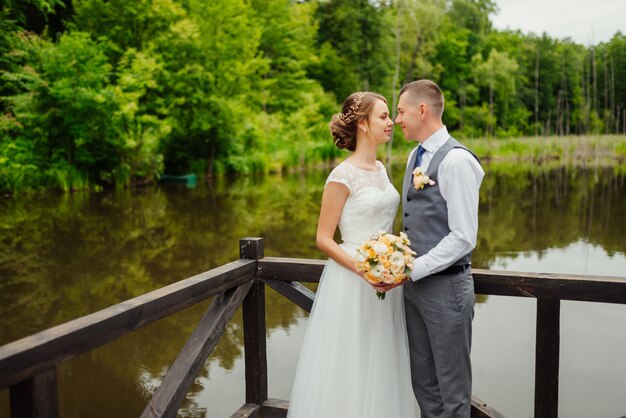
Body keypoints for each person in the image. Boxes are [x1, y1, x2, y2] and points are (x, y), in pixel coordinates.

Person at [286, 92, 418, 418]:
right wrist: (364, 269)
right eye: (384, 117)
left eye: (390, 117)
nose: (391, 123)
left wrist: (391, 261)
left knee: (383, 361)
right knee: (350, 363)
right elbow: (323, 238)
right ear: (363, 124)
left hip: (386, 281)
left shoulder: (382, 169)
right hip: (351, 281)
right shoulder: (341, 176)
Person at [388, 79, 485, 417]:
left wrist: (412, 270)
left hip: (446, 290)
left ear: (422, 109)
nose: (397, 119)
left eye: (400, 111)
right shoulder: (415, 155)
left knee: (453, 393)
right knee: (424, 385)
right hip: (415, 291)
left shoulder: (456, 161)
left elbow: (463, 236)